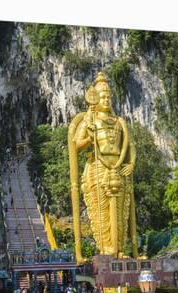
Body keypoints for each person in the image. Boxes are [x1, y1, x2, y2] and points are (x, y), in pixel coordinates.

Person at [68, 72, 138, 260]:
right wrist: (90, 137)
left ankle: (120, 249)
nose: (106, 99)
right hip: (98, 166)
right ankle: (106, 248)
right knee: (102, 210)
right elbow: (75, 144)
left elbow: (130, 145)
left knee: (121, 210)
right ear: (94, 99)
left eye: (108, 96)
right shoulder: (89, 121)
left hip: (118, 165)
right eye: (102, 96)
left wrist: (130, 163)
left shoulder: (119, 121)